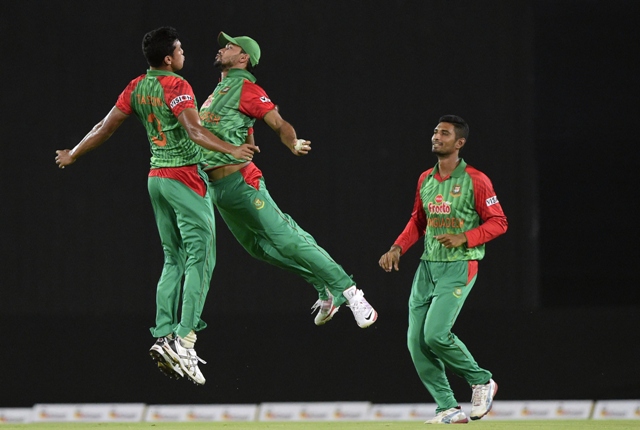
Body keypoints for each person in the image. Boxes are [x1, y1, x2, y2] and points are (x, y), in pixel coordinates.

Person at [54, 27, 259, 386]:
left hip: (156, 180)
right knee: (202, 257)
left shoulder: (136, 87)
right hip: (183, 179)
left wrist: (74, 153)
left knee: (172, 257)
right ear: (168, 58)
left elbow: (105, 126)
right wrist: (232, 150)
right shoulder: (177, 87)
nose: (183, 54)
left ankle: (163, 334)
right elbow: (195, 132)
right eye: (179, 50)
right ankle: (184, 340)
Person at [197, 31, 377, 328]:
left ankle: (352, 292)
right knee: (260, 250)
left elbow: (278, 122)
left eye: (230, 46)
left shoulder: (246, 88)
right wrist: (248, 135)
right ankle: (325, 289)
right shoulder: (219, 90)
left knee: (287, 240)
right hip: (218, 190)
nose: (222, 49)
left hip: (243, 184)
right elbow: (239, 124)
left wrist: (292, 143)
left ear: (244, 58)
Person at [378, 115, 507, 424]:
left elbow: (499, 222)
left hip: (460, 266)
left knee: (435, 334)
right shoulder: (425, 178)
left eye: (444, 134)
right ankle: (447, 407)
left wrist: (465, 237)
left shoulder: (476, 180)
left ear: (459, 143)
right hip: (427, 267)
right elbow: (418, 220)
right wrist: (398, 247)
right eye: (435, 131)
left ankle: (481, 380)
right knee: (416, 341)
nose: (436, 137)